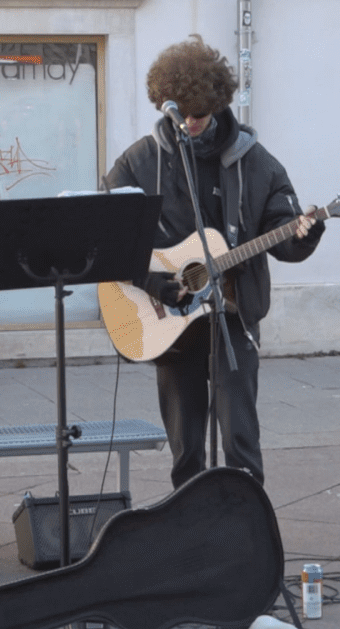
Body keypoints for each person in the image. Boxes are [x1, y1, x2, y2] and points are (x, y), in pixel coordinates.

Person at [105, 35, 325, 489]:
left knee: (240, 439)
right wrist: (151, 281)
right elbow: (106, 240)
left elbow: (284, 237)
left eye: (199, 115)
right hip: (170, 323)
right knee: (186, 449)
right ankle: (190, 534)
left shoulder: (257, 164)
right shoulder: (139, 163)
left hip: (232, 317)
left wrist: (307, 234)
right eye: (179, 114)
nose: (189, 124)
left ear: (218, 104)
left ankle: (245, 529)